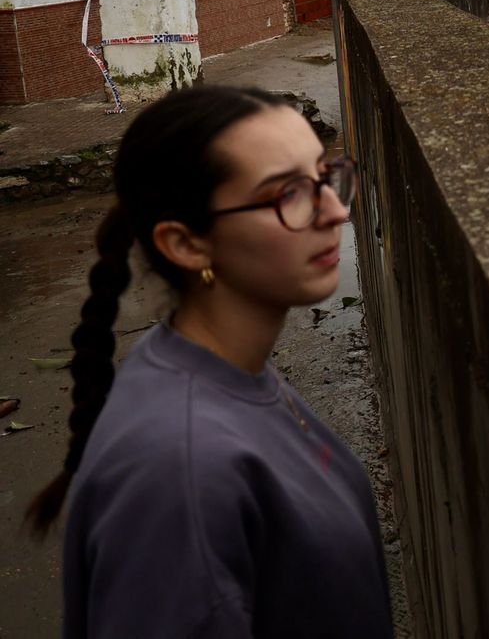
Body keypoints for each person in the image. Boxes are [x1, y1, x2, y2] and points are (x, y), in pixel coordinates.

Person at [26, 85, 392, 638]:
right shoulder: (180, 473)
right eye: (288, 194)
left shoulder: (216, 369)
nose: (338, 211)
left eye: (324, 176)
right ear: (186, 243)